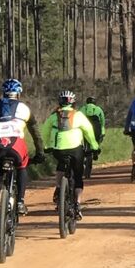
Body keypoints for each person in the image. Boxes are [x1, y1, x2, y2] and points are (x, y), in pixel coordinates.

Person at [0, 78, 45, 249]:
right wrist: (40, 152)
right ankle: (20, 201)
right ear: (19, 93)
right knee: (22, 165)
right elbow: (35, 133)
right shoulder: (24, 108)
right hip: (16, 145)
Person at [42, 90, 99, 221]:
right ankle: (77, 205)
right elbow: (88, 131)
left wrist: (47, 146)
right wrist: (95, 146)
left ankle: (58, 188)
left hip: (59, 150)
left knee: (61, 166)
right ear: (73, 103)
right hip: (75, 150)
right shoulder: (78, 115)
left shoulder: (53, 116)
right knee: (78, 175)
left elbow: (45, 131)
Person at [81, 96, 106, 175]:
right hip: (96, 128)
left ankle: (83, 151)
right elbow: (102, 121)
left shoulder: (82, 108)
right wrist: (102, 131)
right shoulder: (98, 109)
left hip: (84, 127)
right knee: (96, 140)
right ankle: (95, 151)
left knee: (82, 141)